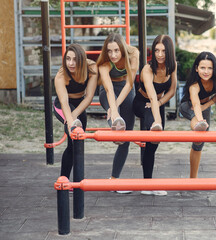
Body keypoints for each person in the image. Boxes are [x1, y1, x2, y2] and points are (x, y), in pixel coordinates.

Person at [133, 35, 177, 196]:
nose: (159, 54)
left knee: (153, 145)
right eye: (157, 50)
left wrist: (158, 104)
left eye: (163, 51)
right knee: (154, 132)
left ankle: (147, 183)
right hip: (141, 103)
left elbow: (172, 90)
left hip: (157, 103)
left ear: (169, 51)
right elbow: (151, 96)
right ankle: (147, 183)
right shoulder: (148, 69)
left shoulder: (172, 67)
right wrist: (157, 119)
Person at [97, 33, 139, 193]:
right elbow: (108, 89)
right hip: (107, 91)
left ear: (122, 48)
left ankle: (114, 180)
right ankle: (115, 127)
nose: (113, 55)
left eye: (116, 50)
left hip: (127, 89)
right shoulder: (104, 63)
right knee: (116, 116)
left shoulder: (133, 53)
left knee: (126, 136)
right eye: (109, 51)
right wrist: (113, 109)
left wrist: (116, 106)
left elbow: (130, 83)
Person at [53, 43, 98, 178]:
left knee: (77, 145)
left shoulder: (91, 68)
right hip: (63, 106)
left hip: (80, 105)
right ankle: (64, 180)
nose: (71, 63)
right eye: (68, 59)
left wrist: (75, 115)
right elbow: (64, 102)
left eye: (74, 59)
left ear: (81, 60)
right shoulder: (61, 76)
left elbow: (89, 97)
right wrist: (70, 121)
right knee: (72, 139)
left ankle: (77, 181)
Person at [179, 52, 216, 178]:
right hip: (188, 106)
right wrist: (200, 121)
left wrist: (206, 106)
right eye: (203, 68)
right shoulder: (194, 85)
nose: (206, 71)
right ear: (196, 68)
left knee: (199, 143)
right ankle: (198, 125)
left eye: (210, 68)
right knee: (196, 119)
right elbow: (195, 104)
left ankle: (193, 178)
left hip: (204, 106)